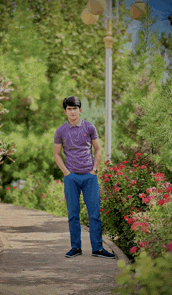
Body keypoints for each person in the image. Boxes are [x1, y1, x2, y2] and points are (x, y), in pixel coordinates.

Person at [54, 96, 116, 259]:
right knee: (73, 214)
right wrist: (66, 173)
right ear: (65, 111)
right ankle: (76, 247)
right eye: (69, 109)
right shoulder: (60, 131)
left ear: (80, 110)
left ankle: (97, 248)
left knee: (94, 213)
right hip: (71, 177)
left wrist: (95, 170)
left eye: (75, 108)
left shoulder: (89, 127)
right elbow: (56, 154)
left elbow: (98, 149)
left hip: (89, 177)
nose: (72, 111)